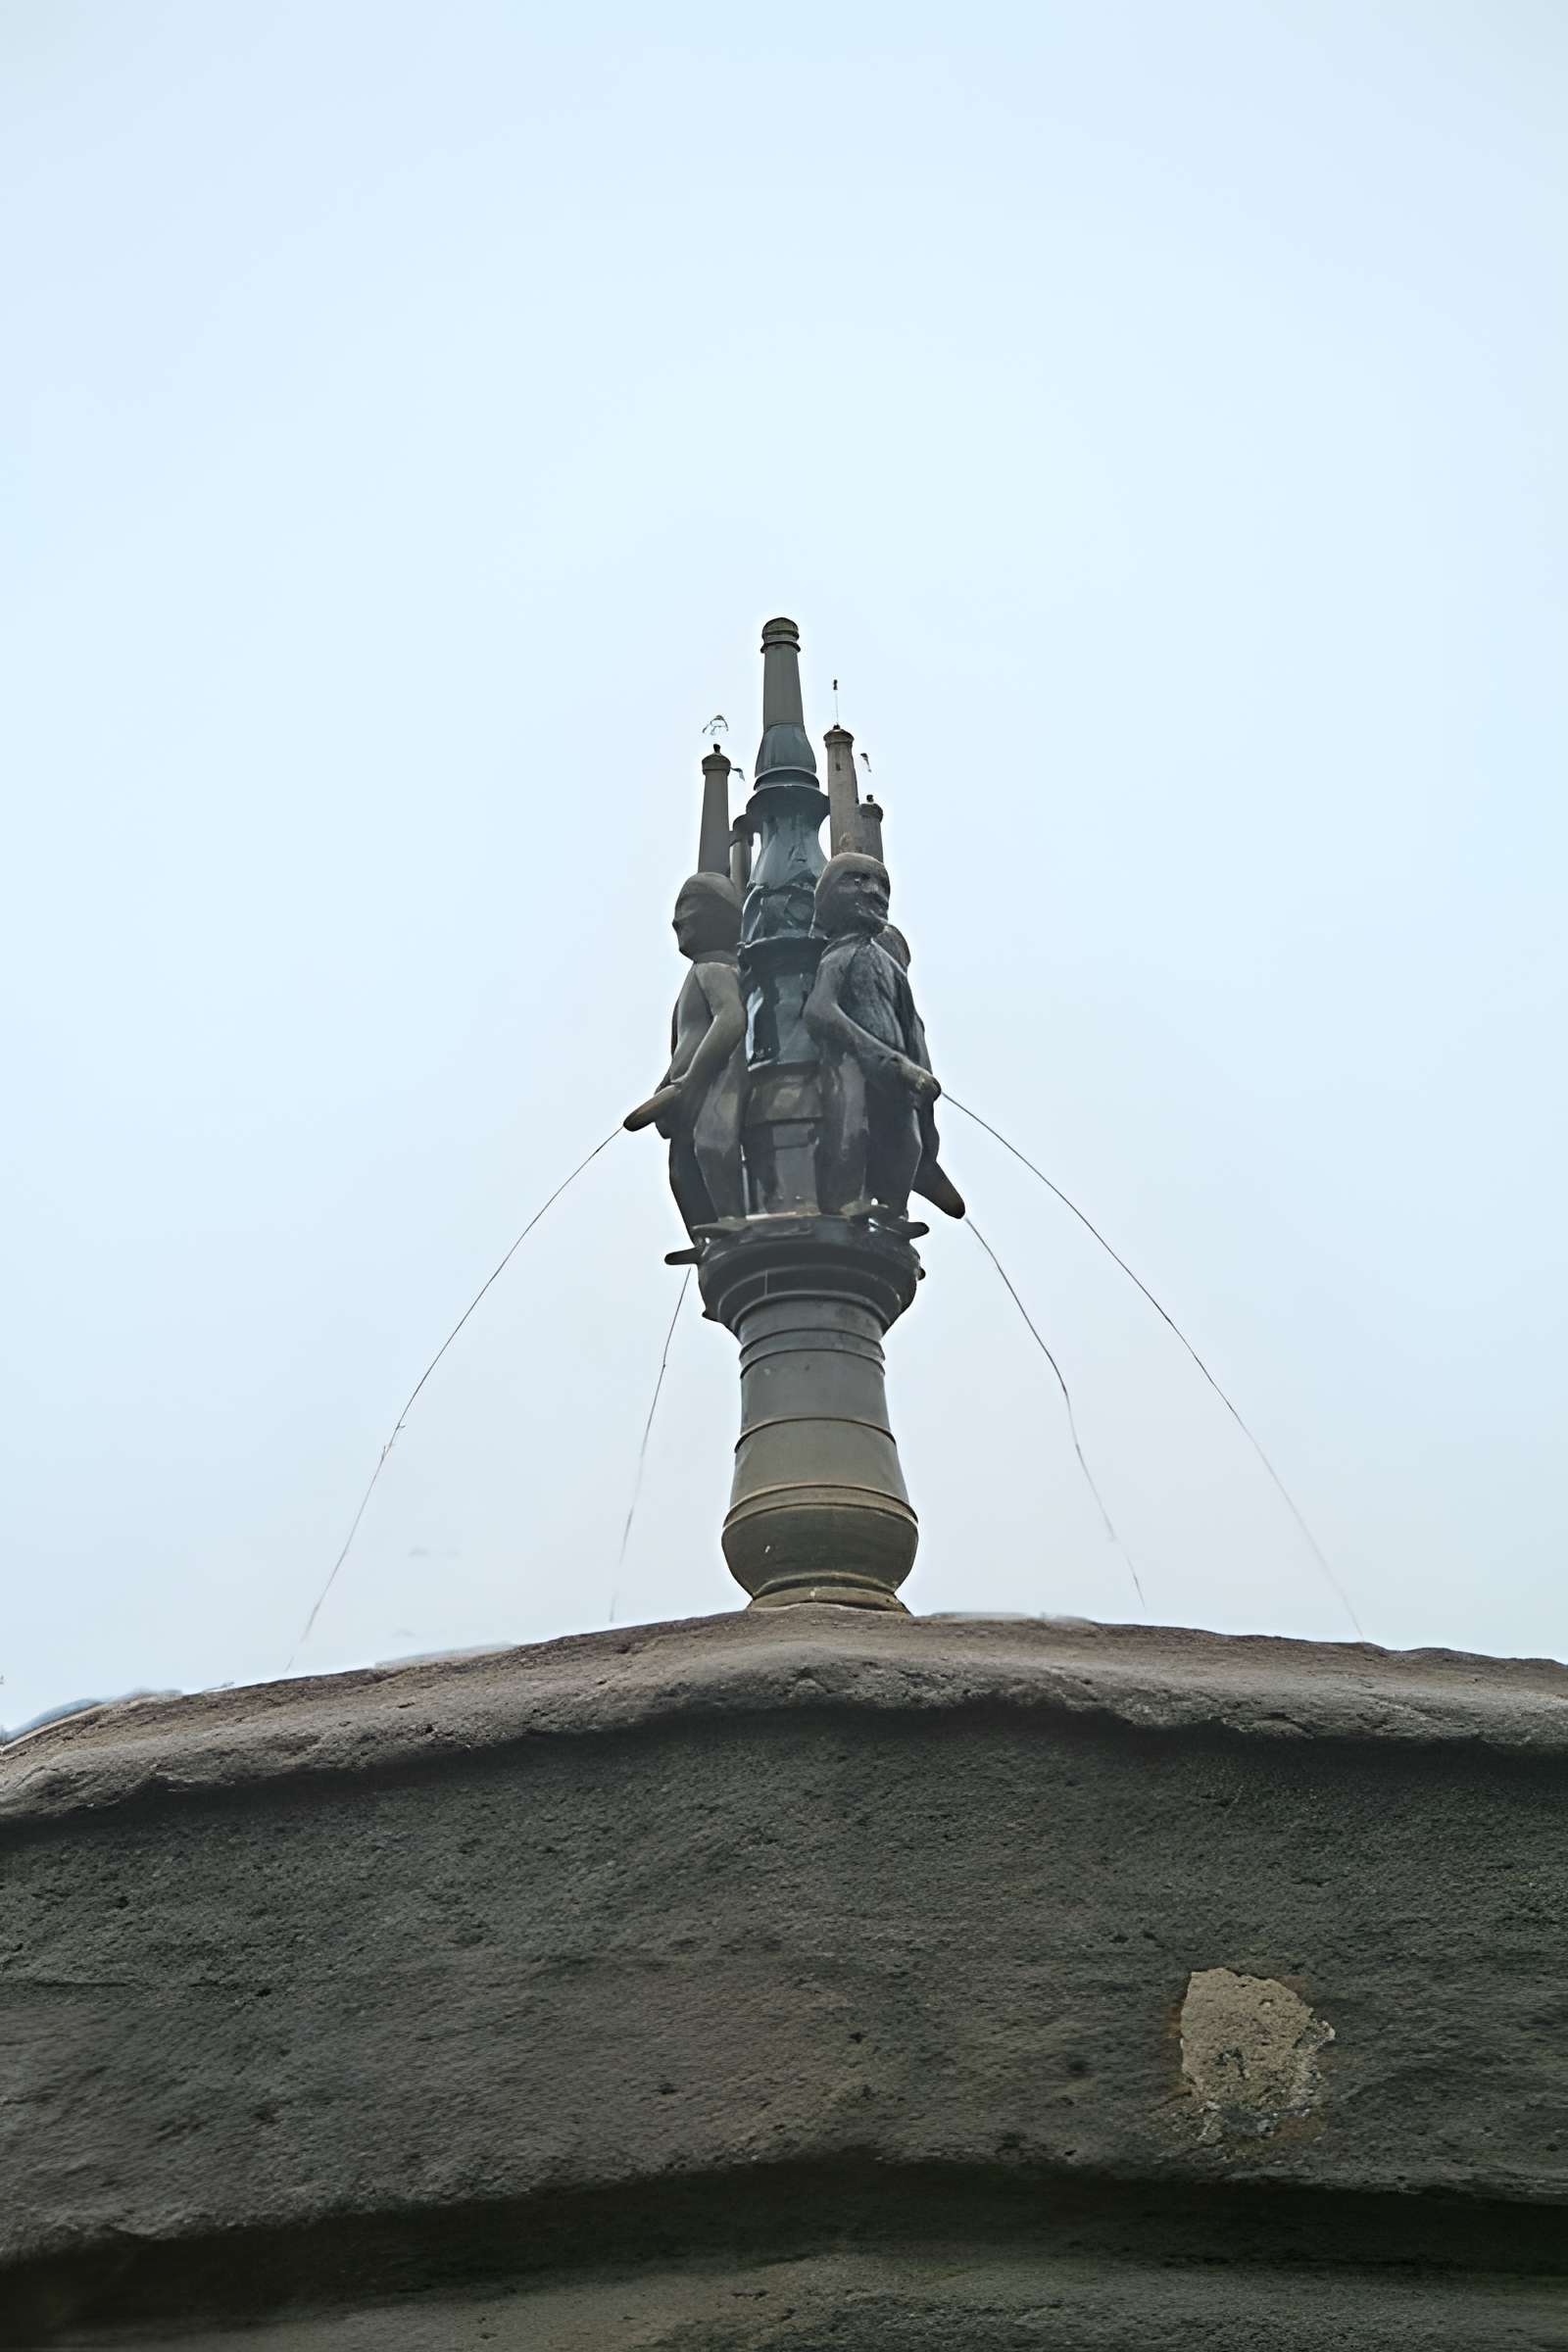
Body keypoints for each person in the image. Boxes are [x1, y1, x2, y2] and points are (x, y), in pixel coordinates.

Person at [804, 853, 964, 1221]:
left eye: (882, 885)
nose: (875, 892)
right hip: (851, 1067)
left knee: (908, 1140)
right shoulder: (838, 957)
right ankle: (846, 1202)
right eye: (858, 880)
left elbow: (912, 1024)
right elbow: (819, 1011)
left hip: (900, 1077)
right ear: (828, 897)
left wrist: (920, 1070)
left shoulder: (889, 965)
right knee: (851, 1128)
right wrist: (885, 1059)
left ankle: (896, 1208)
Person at [624, 872, 748, 1240]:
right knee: (682, 1170)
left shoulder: (714, 969)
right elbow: (682, 1044)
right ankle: (706, 1243)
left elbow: (731, 1018)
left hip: (715, 1081)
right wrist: (668, 1084)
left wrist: (692, 1079)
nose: (679, 919)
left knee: (714, 1146)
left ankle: (734, 1228)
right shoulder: (694, 977)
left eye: (689, 906)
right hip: (685, 1092)